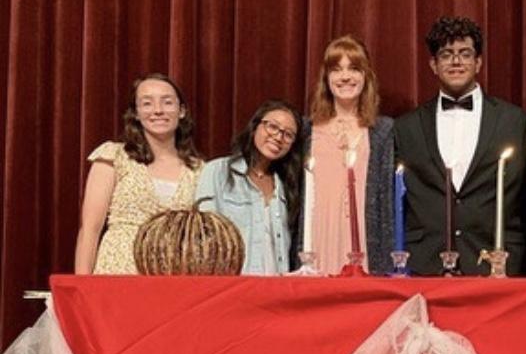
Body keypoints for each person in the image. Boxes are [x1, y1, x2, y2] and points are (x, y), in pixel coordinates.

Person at [395, 16, 526, 276]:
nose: (456, 61)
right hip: (425, 264)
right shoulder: (406, 127)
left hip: (495, 263)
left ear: (478, 62)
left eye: (465, 54)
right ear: (433, 65)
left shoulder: (515, 122)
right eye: (446, 54)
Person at [74, 73, 203, 274]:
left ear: (182, 111)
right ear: (136, 113)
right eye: (147, 103)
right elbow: (90, 229)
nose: (158, 110)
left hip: (173, 276)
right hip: (118, 274)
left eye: (167, 102)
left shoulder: (199, 170)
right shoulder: (113, 156)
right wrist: (82, 285)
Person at [302, 35, 394, 275]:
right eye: (336, 69)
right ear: (326, 77)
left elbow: (387, 204)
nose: (345, 77)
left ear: (366, 76)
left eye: (353, 68)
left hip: (364, 242)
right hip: (317, 238)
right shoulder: (306, 130)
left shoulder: (383, 131)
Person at [196, 99, 303, 275]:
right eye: (272, 127)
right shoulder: (217, 171)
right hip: (234, 283)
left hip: (277, 285)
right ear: (255, 126)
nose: (278, 137)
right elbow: (203, 233)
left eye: (288, 135)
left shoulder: (286, 186)